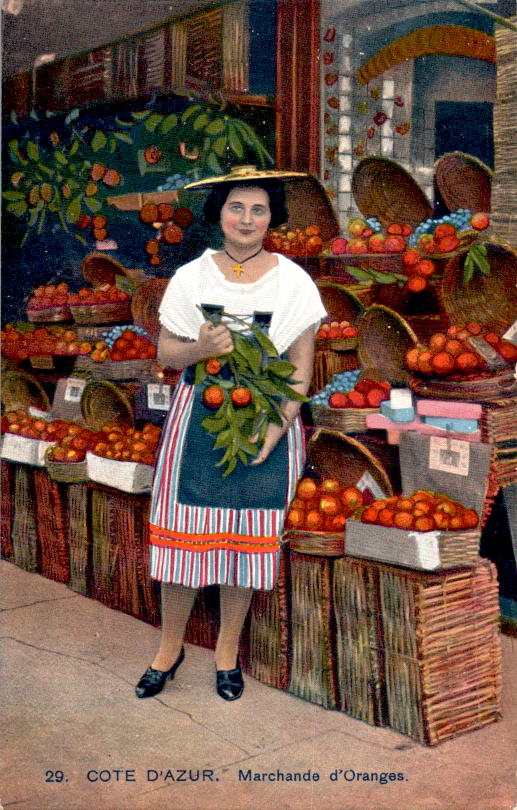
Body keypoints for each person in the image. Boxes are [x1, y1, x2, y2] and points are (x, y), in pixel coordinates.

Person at [135, 171, 326, 701]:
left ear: (273, 217)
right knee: (185, 542)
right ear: (219, 214)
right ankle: (168, 650)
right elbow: (167, 355)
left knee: (245, 544)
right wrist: (200, 348)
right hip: (199, 419)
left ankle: (225, 653)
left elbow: (300, 374)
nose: (247, 220)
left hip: (267, 424)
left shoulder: (294, 283)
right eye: (236, 208)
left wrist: (275, 430)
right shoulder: (192, 278)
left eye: (259, 210)